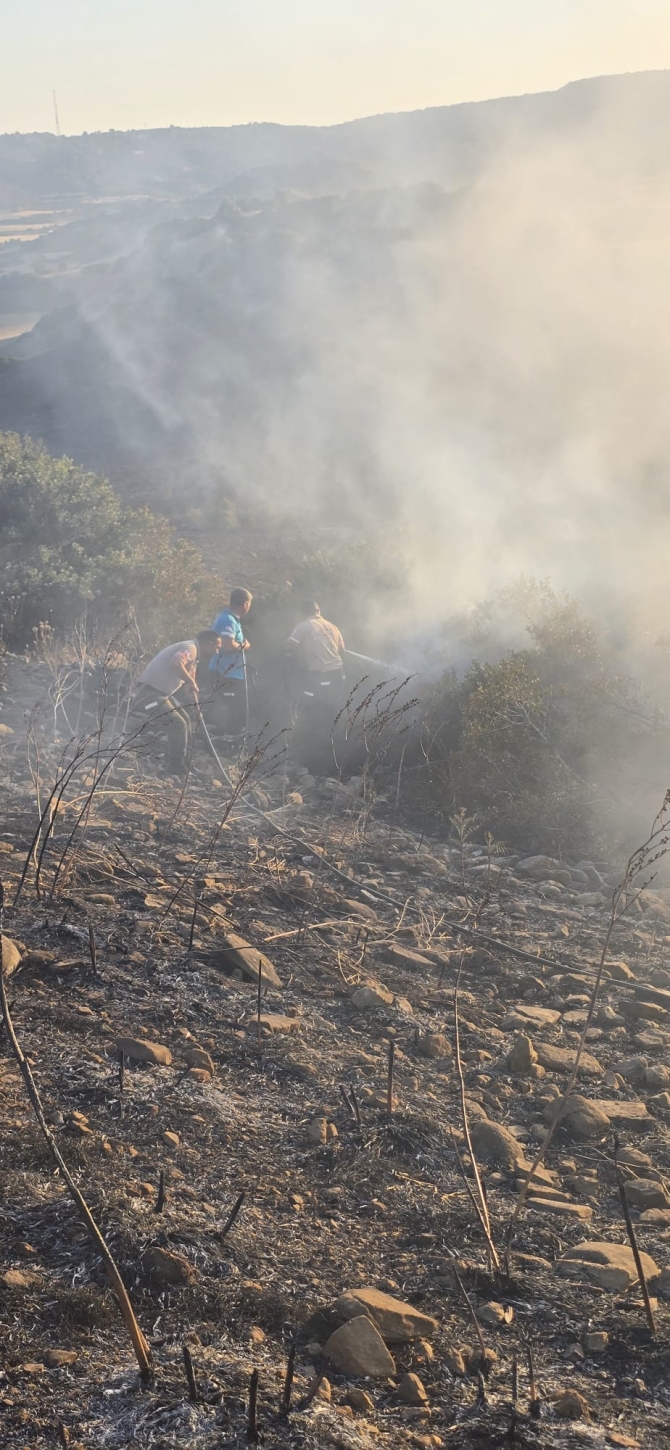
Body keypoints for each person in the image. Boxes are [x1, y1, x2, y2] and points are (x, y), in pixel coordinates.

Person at [130, 629, 222, 776]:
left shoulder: (194, 656)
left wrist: (197, 710)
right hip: (147, 697)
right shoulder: (190, 648)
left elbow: (189, 687)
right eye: (216, 647)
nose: (217, 652)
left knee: (185, 719)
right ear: (208, 643)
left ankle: (182, 762)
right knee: (177, 723)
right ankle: (174, 765)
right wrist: (190, 680)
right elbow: (176, 663)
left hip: (161, 694)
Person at [208, 587, 253, 739]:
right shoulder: (228, 619)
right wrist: (245, 645)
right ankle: (228, 740)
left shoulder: (232, 619)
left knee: (235, 707)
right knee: (234, 709)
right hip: (226, 672)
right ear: (245, 604)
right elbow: (228, 645)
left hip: (231, 672)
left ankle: (226, 737)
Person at [285, 600, 346, 709]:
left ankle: (311, 723)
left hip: (321, 674)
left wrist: (297, 654)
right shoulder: (332, 626)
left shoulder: (304, 626)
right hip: (339, 675)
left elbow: (290, 645)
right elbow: (342, 651)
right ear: (318, 611)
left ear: (303, 614)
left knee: (312, 705)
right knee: (333, 708)